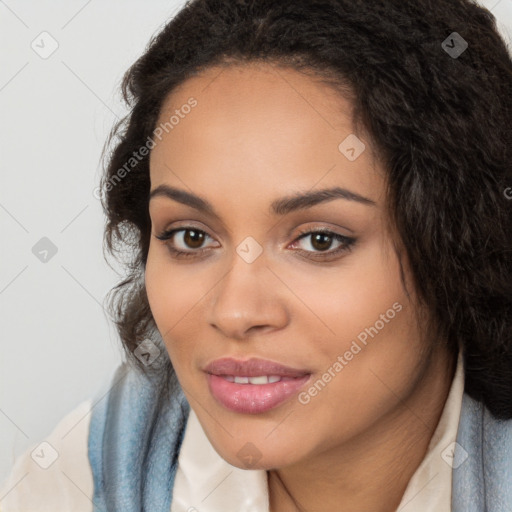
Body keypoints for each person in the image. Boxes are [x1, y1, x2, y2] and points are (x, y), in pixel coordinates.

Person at [1, 0, 511, 510]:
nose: (235, 312)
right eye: (191, 237)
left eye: (319, 240)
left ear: (457, 247)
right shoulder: (76, 484)